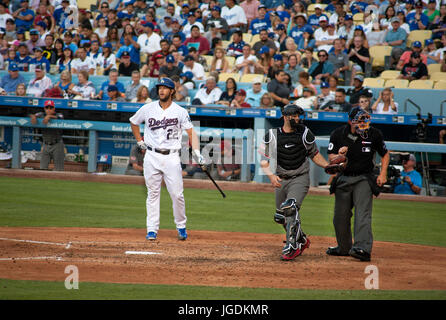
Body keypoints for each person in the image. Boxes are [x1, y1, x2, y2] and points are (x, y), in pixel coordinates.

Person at [129, 77, 203, 241]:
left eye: (165, 87)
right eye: (160, 87)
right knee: (153, 193)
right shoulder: (148, 108)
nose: (161, 90)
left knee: (177, 194)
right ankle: (152, 229)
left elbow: (191, 133)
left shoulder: (180, 111)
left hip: (171, 157)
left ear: (172, 91)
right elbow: (134, 122)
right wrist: (139, 140)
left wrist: (197, 152)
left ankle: (181, 226)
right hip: (152, 155)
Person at [259, 104, 329, 260]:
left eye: (299, 116)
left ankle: (293, 246)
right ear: (285, 116)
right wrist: (270, 175)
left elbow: (314, 154)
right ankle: (302, 239)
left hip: (300, 177)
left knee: (290, 208)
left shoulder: (305, 133)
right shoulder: (272, 135)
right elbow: (264, 160)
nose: (298, 119)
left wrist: (327, 166)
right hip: (281, 178)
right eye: (294, 116)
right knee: (281, 217)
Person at [326, 107, 390, 262]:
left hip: (364, 178)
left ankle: (363, 248)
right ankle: (343, 248)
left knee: (363, 214)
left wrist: (383, 173)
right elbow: (331, 159)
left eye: (365, 119)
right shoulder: (338, 133)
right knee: (340, 216)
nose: (363, 123)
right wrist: (339, 156)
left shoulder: (374, 134)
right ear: (350, 120)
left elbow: (385, 154)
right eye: (359, 120)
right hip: (343, 178)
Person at [29, 100, 65, 171]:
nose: (48, 110)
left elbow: (61, 117)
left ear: (54, 108)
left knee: (59, 169)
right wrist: (33, 117)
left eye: (51, 108)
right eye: (47, 108)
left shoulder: (58, 114)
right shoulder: (41, 114)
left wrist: (49, 116)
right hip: (45, 144)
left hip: (57, 144)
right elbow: (30, 114)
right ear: (44, 109)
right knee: (43, 168)